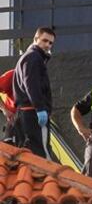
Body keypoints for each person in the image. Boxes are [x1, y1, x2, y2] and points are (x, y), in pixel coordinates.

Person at [12, 27, 55, 160]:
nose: (48, 45)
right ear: (36, 39)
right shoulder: (34, 57)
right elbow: (31, 84)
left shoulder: (28, 57)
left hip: (25, 113)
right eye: (44, 41)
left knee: (28, 154)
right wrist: (40, 108)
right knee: (42, 156)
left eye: (51, 43)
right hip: (33, 114)